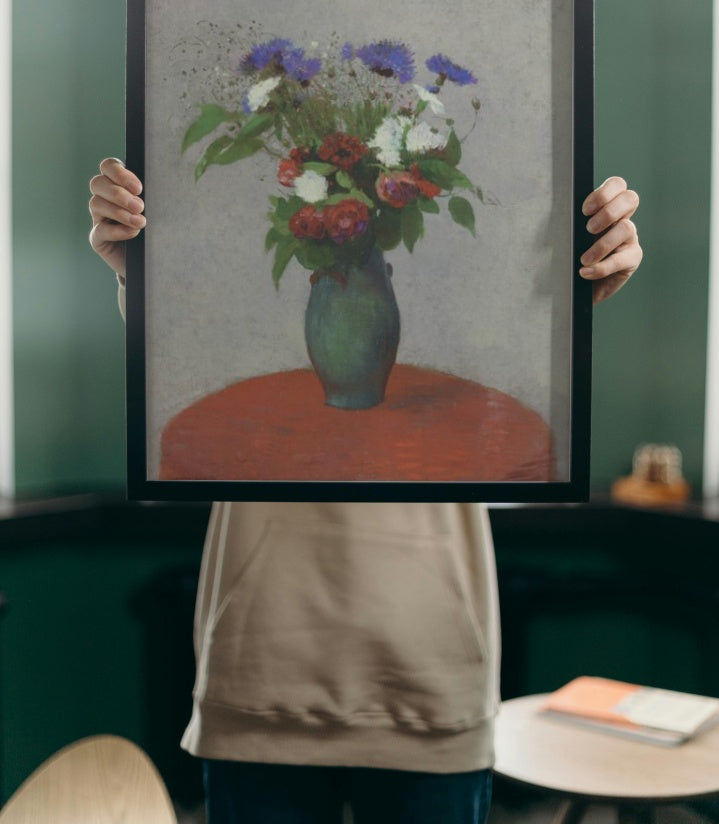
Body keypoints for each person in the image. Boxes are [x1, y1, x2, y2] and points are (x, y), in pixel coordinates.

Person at [89, 160, 642, 824]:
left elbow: (516, 359)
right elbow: (182, 346)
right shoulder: (249, 221)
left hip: (431, 671)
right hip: (264, 668)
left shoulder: (456, 255)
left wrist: (569, 295)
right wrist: (139, 265)